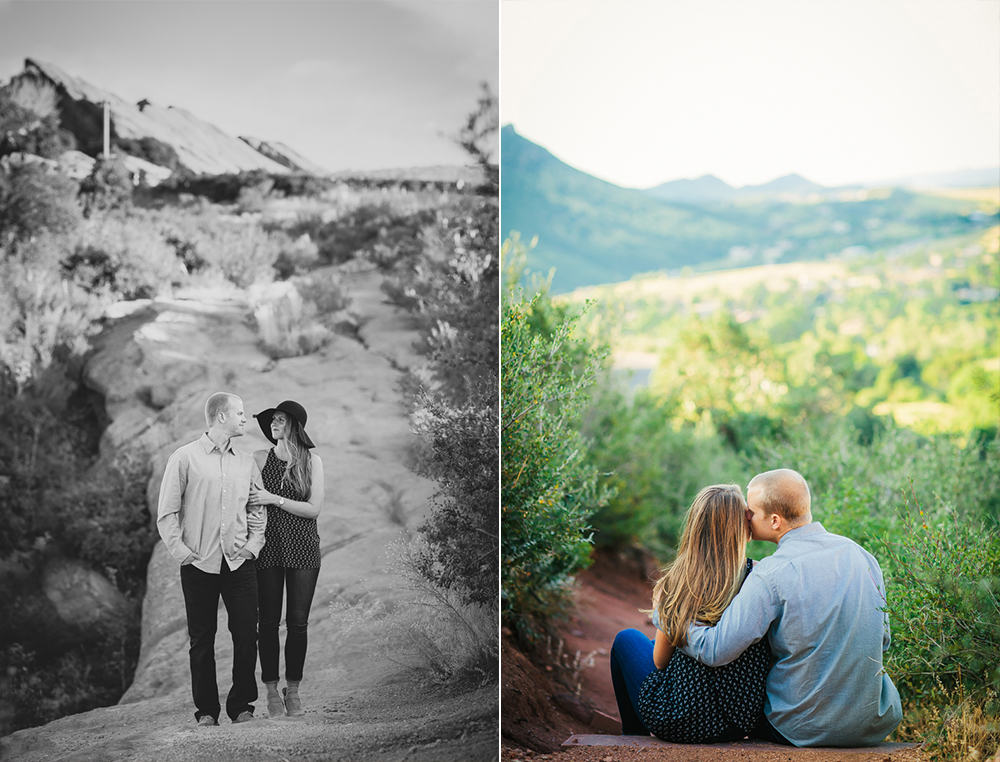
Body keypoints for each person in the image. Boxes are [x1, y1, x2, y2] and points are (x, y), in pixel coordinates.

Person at [680, 468, 903, 747]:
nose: (745, 518)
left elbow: (716, 650)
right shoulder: (862, 556)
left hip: (799, 728)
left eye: (750, 513)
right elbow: (882, 641)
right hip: (874, 723)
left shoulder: (771, 573)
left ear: (774, 520)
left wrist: (673, 622)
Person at [610, 484, 771, 743]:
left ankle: (632, 736)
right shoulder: (760, 577)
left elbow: (660, 662)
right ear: (742, 527)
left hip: (681, 723)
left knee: (627, 639)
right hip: (739, 721)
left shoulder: (679, 584)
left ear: (696, 526)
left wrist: (666, 614)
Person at [156, 392, 266, 726]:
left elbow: (256, 509)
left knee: (247, 634)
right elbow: (167, 513)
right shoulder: (184, 457)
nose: (245, 419)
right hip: (199, 565)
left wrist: (252, 546)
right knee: (201, 641)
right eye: (240, 413)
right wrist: (183, 553)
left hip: (239, 563)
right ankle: (206, 711)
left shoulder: (246, 462)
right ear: (221, 417)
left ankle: (241, 706)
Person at [250, 400, 325, 718]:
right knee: (266, 624)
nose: (273, 423)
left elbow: (314, 509)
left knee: (298, 624)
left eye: (280, 419)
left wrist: (274, 499)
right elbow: (254, 504)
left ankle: (292, 691)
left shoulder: (312, 461)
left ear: (294, 425)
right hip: (268, 549)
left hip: (304, 549)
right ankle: (270, 691)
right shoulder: (258, 458)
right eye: (271, 420)